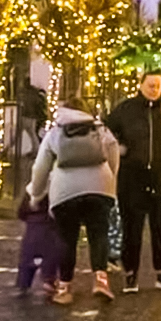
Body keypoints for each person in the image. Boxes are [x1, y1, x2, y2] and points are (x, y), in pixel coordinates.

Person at [104, 69, 161, 293]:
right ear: (141, 85)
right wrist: (118, 147)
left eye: (158, 86)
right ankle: (130, 273)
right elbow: (106, 128)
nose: (154, 90)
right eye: (151, 85)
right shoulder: (126, 109)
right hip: (132, 176)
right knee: (131, 226)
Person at [28, 96, 121, 305]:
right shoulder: (100, 130)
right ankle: (101, 280)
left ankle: (65, 287)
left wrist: (36, 193)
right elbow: (114, 153)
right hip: (100, 188)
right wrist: (110, 179)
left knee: (67, 239)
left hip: (65, 191)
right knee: (99, 234)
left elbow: (41, 167)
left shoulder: (55, 132)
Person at [16, 194, 64, 297]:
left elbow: (21, 213)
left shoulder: (31, 191)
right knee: (50, 258)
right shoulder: (56, 191)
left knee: (27, 259)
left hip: (31, 230)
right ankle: (49, 281)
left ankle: (23, 283)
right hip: (50, 229)